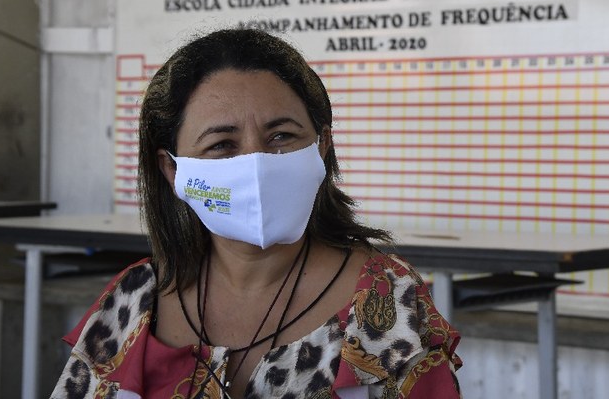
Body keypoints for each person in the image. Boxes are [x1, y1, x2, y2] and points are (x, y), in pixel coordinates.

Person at [51, 28, 461, 398]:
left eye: (281, 136)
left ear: (321, 147)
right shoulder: (136, 298)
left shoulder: (387, 296)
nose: (257, 163)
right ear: (173, 170)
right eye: (222, 145)